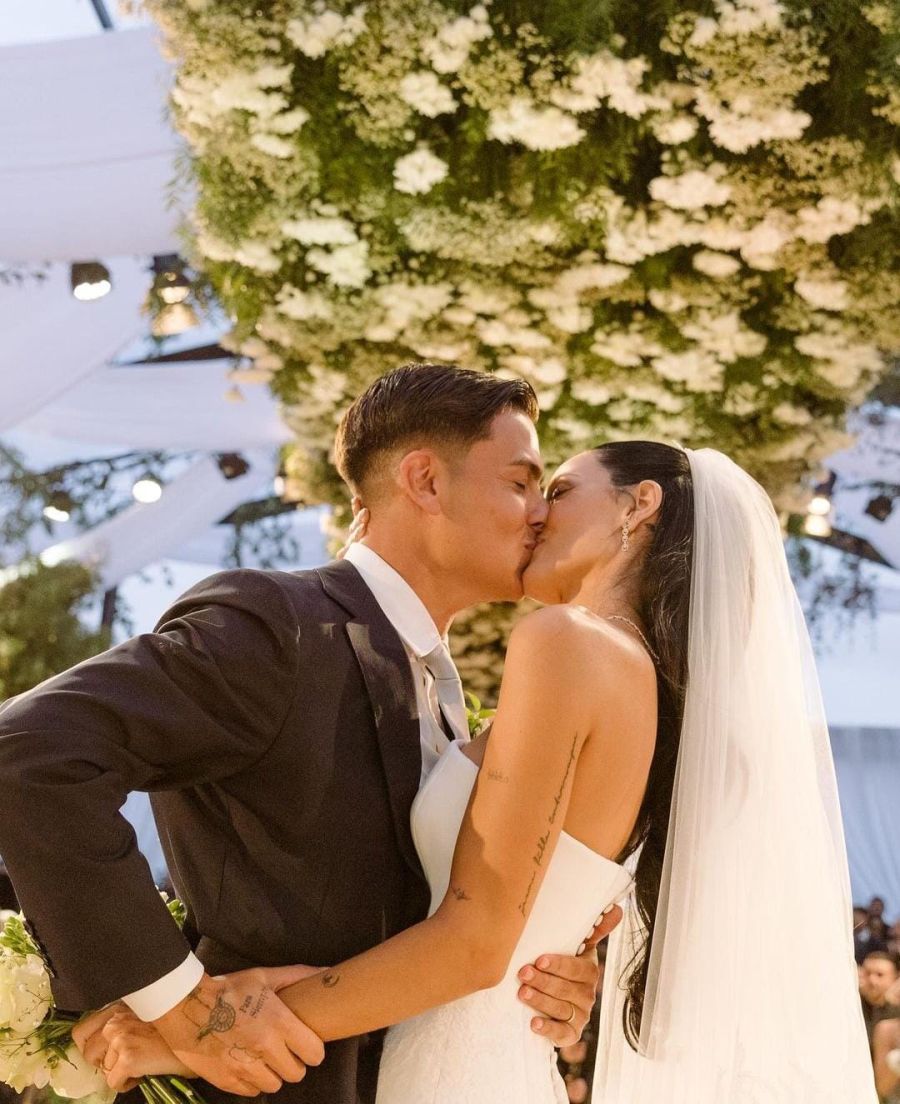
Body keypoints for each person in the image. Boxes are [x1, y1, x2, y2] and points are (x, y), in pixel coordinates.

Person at [86, 441, 876, 1102]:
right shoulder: (660, 699)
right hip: (501, 1063)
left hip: (445, 1070)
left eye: (561, 490)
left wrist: (191, 1036)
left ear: (639, 507)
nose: (538, 513)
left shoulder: (568, 642)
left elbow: (472, 945)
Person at [0, 364, 611, 1104]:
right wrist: (179, 1002)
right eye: (520, 483)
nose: (539, 514)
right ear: (425, 481)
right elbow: (30, 752)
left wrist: (545, 974)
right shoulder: (279, 627)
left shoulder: (452, 696)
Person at [860, 951, 900, 1046]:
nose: (872, 980)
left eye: (880, 975)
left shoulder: (897, 1012)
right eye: (867, 973)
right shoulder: (852, 1009)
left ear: (894, 978)